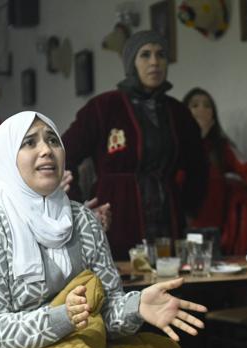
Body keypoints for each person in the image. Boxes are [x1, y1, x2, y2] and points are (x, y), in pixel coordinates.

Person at [0, 111, 207, 348]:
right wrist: (60, 319)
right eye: (29, 143)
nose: (46, 150)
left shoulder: (82, 220)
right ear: (6, 156)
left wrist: (137, 306)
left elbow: (104, 314)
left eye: (52, 140)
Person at [63, 30, 208, 260]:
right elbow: (63, 155)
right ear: (131, 62)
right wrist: (79, 207)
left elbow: (199, 165)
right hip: (117, 216)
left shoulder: (178, 112)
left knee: (168, 283)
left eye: (161, 55)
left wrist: (189, 208)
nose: (154, 62)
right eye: (145, 55)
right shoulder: (104, 107)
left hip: (167, 219)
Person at [183, 87, 247, 255]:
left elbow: (246, 167)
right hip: (185, 222)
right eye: (195, 105)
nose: (201, 110)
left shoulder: (221, 147)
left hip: (215, 226)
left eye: (207, 105)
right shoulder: (177, 145)